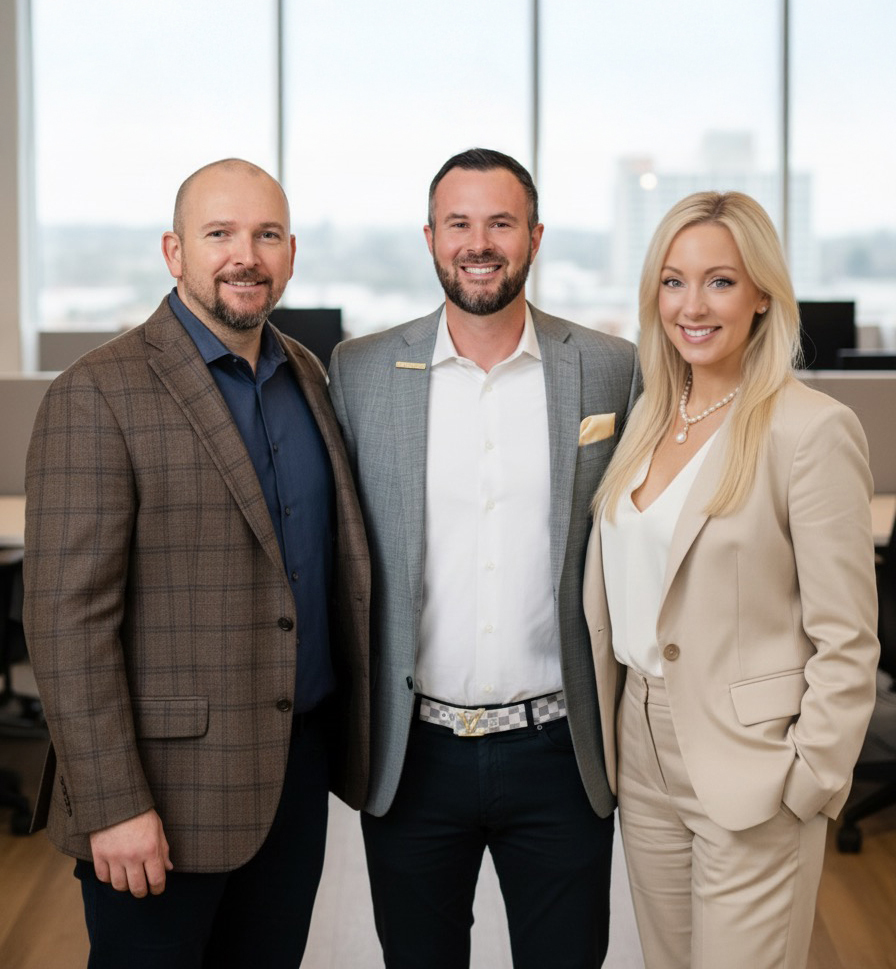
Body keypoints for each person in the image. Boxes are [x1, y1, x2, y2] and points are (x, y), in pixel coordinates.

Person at [23, 158, 370, 968]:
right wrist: (113, 803)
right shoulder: (97, 393)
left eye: (267, 234)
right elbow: (67, 623)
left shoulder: (306, 375)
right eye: (220, 234)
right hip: (162, 796)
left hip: (294, 774)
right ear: (174, 252)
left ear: (291, 253)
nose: (245, 255)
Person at [328, 148, 640, 968]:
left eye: (500, 223)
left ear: (534, 236)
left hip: (562, 751)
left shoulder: (611, 367)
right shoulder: (360, 371)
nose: (479, 243)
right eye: (458, 223)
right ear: (430, 237)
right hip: (414, 753)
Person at [584, 190, 880, 969]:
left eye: (720, 281)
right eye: (673, 281)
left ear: (762, 294)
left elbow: (847, 637)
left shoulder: (808, 430)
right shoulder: (647, 418)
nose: (693, 305)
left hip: (752, 755)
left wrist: (809, 779)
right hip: (641, 742)